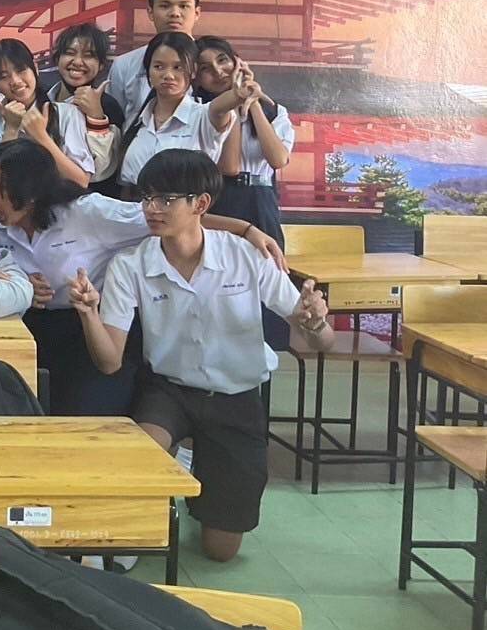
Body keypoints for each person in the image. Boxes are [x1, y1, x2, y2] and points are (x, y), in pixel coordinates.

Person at [72, 149, 333, 562]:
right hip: (169, 391)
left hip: (236, 397)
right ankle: (163, 480)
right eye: (147, 198)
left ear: (201, 204)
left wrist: (315, 322)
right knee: (141, 453)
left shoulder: (245, 255)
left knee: (220, 550)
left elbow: (323, 342)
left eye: (165, 199)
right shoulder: (130, 265)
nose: (152, 209)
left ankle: (201, 471)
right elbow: (109, 362)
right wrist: (88, 313)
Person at [0, 139, 286, 417]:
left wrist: (246, 229)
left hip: (92, 327)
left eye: (1, 184)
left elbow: (174, 219)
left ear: (32, 189)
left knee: (81, 415)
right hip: (31, 326)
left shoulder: (87, 213)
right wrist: (21, 285)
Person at [195, 36, 295, 350]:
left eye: (223, 60)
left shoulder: (275, 111)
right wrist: (234, 106)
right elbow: (230, 167)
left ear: (238, 62)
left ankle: (265, 360)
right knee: (223, 285)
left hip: (261, 201)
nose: (217, 71)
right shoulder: (203, 113)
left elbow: (277, 159)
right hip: (221, 201)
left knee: (268, 276)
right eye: (205, 68)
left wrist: (252, 104)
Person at [106, 32, 250, 197]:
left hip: (180, 209)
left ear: (193, 71)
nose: (168, 75)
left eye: (178, 67)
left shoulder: (203, 116)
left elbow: (220, 109)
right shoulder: (139, 121)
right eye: (158, 67)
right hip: (131, 207)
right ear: (148, 71)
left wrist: (238, 93)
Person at [0, 39, 95, 187]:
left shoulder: (67, 113)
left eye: (21, 70)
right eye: (4, 76)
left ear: (35, 68)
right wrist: (11, 129)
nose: (15, 81)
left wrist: (41, 136)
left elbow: (80, 181)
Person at [105, 0, 202, 122]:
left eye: (183, 6)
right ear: (150, 12)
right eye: (165, 6)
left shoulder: (209, 62)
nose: (175, 13)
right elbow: (114, 119)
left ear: (196, 13)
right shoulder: (124, 64)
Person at [47, 22, 125, 137]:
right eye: (70, 53)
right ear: (57, 59)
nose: (78, 62)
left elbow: (114, 148)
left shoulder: (108, 106)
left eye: (88, 55)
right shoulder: (41, 97)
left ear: (101, 64)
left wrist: (97, 117)